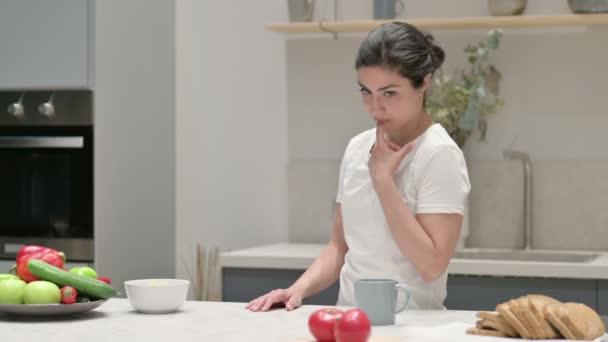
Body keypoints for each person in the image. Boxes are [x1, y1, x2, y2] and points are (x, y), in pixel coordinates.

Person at [246, 22, 471, 312]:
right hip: (349, 322)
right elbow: (339, 248)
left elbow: (431, 266)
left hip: (411, 327)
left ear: (424, 82)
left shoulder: (439, 154)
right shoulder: (357, 148)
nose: (374, 107)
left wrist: (382, 179)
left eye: (389, 93)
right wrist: (296, 290)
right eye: (366, 91)